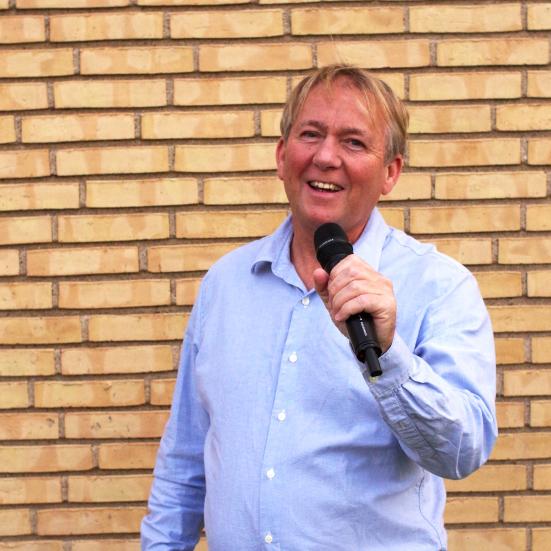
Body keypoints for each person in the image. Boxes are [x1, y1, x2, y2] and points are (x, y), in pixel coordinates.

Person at [141, 64, 497, 550]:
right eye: (311, 134)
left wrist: (389, 357)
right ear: (282, 155)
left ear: (390, 172)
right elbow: (185, 460)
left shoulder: (440, 286)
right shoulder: (225, 285)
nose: (326, 157)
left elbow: (461, 452)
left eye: (354, 142)